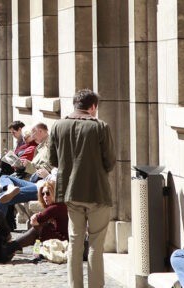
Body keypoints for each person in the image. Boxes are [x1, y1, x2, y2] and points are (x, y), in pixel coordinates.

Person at [48, 89, 116, 288]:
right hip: (96, 192)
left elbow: (53, 160)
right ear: (92, 107)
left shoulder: (58, 126)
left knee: (75, 243)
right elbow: (110, 161)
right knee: (95, 243)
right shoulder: (100, 127)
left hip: (71, 192)